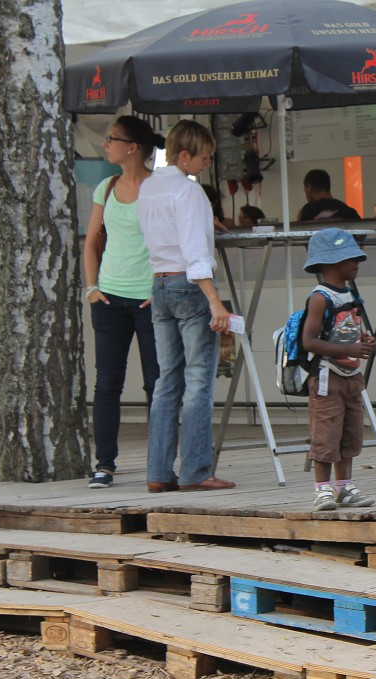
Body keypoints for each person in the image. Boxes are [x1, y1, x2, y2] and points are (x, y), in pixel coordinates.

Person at [136, 120, 234, 493]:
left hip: (159, 282)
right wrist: (215, 300)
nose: (208, 164)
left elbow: (161, 234)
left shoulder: (149, 188)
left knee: (166, 382)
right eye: (205, 157)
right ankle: (196, 470)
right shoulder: (189, 193)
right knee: (198, 382)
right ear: (185, 155)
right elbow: (195, 254)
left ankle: (158, 472)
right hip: (189, 287)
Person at [81, 116, 165, 489]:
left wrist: (158, 288)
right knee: (107, 384)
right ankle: (105, 464)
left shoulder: (160, 187)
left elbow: (174, 238)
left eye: (111, 139)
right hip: (109, 298)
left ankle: (159, 462)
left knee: (156, 383)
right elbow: (91, 242)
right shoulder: (107, 186)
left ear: (132, 148)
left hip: (150, 299)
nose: (105, 144)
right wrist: (92, 288)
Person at [301, 228, 376, 511]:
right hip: (326, 377)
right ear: (332, 262)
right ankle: (322, 490)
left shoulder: (350, 294)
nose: (357, 264)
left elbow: (346, 329)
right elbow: (309, 341)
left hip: (350, 376)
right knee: (325, 432)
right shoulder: (321, 297)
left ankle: (344, 486)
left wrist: (364, 339)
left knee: (350, 431)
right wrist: (349, 350)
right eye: (351, 259)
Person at [296, 169, 360, 222]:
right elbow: (361, 233)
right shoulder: (347, 210)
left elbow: (300, 234)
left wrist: (299, 220)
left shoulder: (307, 211)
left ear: (310, 188)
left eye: (305, 190)